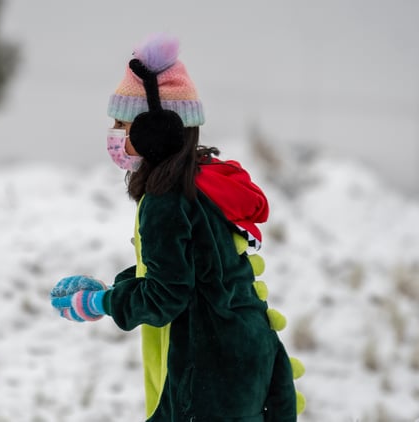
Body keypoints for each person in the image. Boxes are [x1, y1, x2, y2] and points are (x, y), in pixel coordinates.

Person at [50, 33, 305, 421]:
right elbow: (188, 271)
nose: (114, 135)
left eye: (122, 123)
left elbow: (166, 294)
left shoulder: (165, 201)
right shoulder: (205, 183)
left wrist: (101, 303)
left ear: (156, 130)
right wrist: (115, 287)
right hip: (252, 353)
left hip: (208, 375)